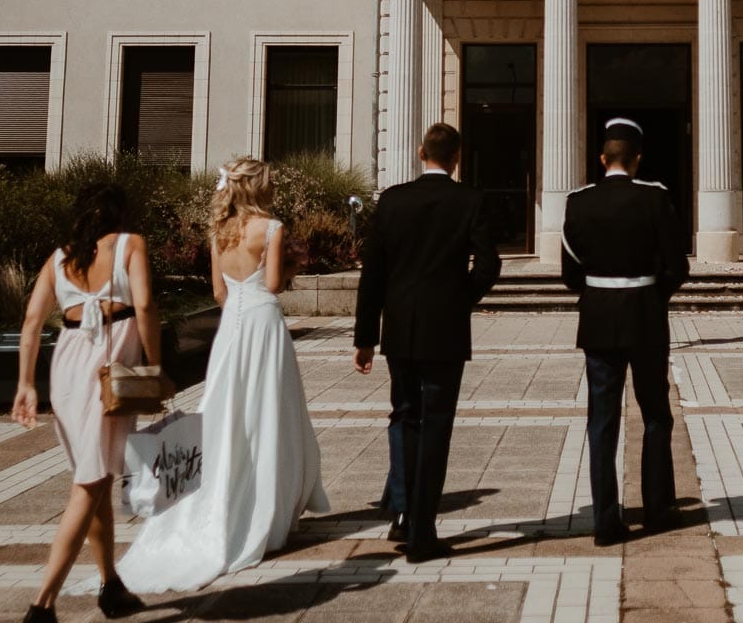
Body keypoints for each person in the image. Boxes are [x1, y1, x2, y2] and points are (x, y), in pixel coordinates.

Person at [109, 156, 330, 593]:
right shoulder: (272, 227)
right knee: (271, 410)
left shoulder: (218, 230)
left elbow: (217, 291)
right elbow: (271, 287)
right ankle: (271, 502)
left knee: (226, 410)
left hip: (232, 324)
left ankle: (221, 497)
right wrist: (286, 270)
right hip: (264, 322)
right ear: (258, 187)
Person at [11, 181, 160, 623]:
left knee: (95, 475)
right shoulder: (130, 244)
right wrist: (155, 363)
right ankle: (42, 604)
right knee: (90, 483)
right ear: (119, 212)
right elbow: (147, 304)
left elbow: (32, 321)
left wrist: (26, 383)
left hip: (68, 363)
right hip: (107, 366)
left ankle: (110, 584)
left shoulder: (60, 257)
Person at [352, 123, 501, 563]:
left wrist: (365, 337)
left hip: (399, 326)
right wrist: (461, 298)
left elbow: (372, 274)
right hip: (446, 329)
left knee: (403, 416)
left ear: (421, 152)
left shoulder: (392, 200)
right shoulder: (470, 200)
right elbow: (490, 265)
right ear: (456, 157)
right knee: (436, 424)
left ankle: (402, 512)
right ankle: (423, 528)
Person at [561, 117, 691, 546]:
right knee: (655, 412)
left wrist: (600, 292)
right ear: (637, 160)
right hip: (646, 316)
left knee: (602, 420)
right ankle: (656, 509)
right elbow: (678, 267)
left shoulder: (578, 203)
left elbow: (570, 275)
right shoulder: (656, 199)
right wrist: (653, 295)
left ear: (602, 160)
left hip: (598, 317)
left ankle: (605, 520)